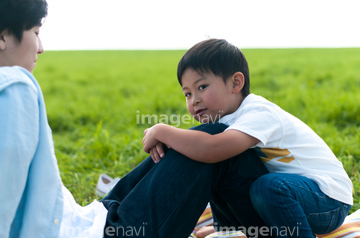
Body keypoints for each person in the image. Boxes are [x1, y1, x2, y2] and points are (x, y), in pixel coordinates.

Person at [0, 1, 271, 237]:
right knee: (213, 139)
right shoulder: (13, 83)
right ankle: (279, 224)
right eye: (35, 32)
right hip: (107, 232)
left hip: (95, 218)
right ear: (2, 37)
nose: (41, 48)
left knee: (199, 140)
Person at [142, 38, 353, 237]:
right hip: (290, 195)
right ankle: (228, 231)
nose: (194, 101)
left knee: (268, 186)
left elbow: (211, 149)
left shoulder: (259, 113)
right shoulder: (225, 122)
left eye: (202, 87)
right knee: (219, 168)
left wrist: (161, 130)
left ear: (235, 83)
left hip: (328, 200)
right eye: (187, 94)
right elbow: (210, 155)